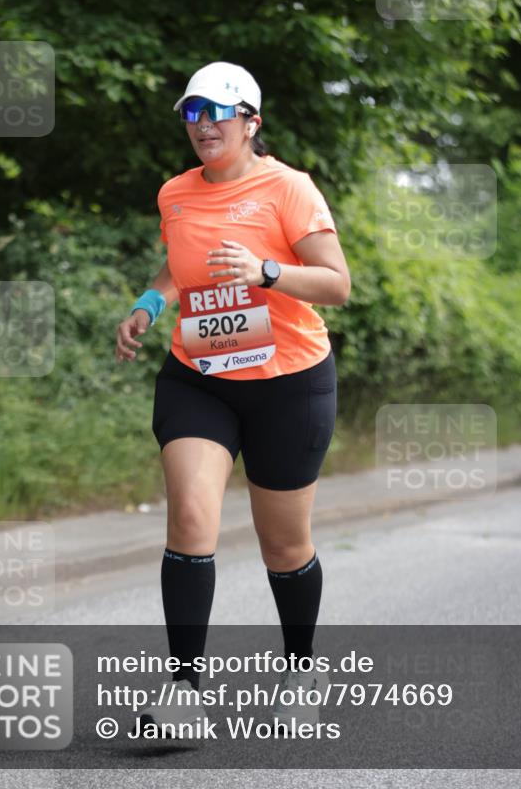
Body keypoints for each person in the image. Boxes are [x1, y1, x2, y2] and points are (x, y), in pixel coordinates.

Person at [115, 61, 350, 736]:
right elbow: (177, 263)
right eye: (193, 113)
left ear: (251, 122)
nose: (204, 126)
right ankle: (183, 693)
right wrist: (148, 302)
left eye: (218, 113)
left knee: (283, 544)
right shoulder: (175, 193)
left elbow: (336, 284)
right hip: (200, 378)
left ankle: (302, 670)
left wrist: (266, 271)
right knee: (190, 515)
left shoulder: (288, 190)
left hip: (289, 385)